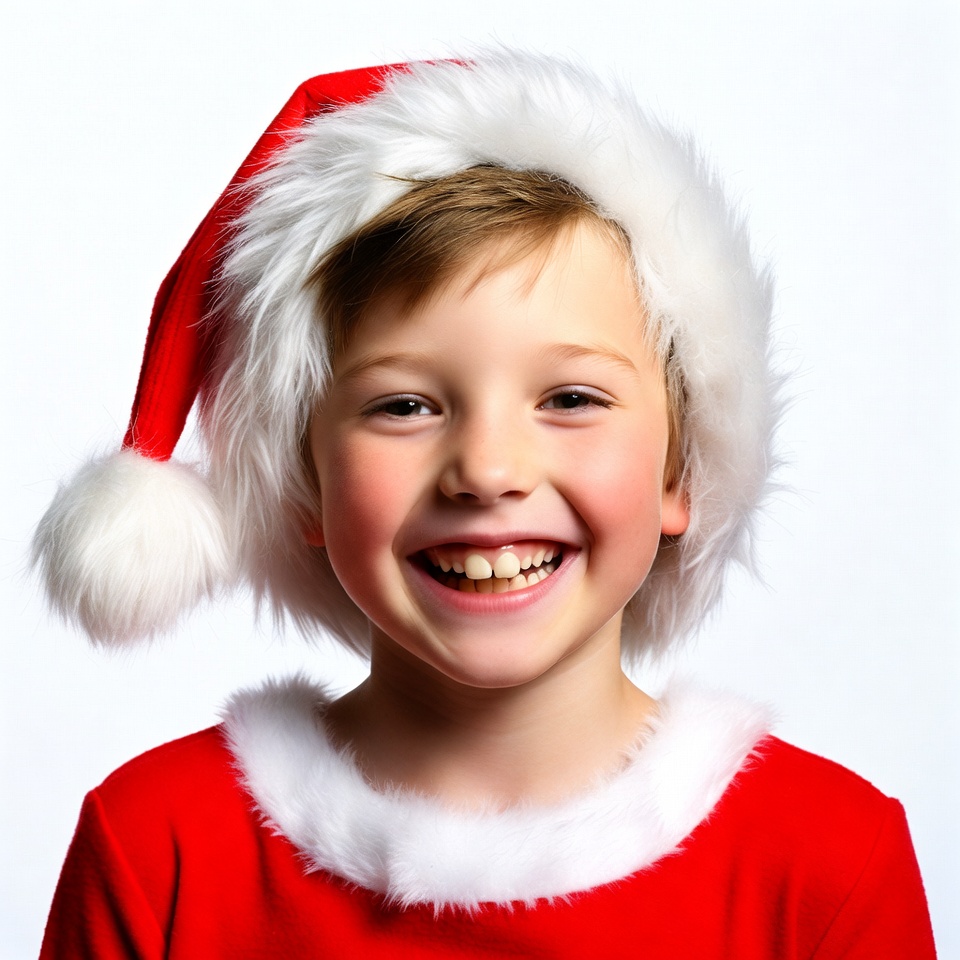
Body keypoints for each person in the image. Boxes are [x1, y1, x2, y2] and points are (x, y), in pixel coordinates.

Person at [33, 50, 936, 957]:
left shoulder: (828, 866)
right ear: (303, 484)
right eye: (404, 406)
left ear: (681, 473)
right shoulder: (157, 850)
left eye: (571, 399)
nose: (488, 470)